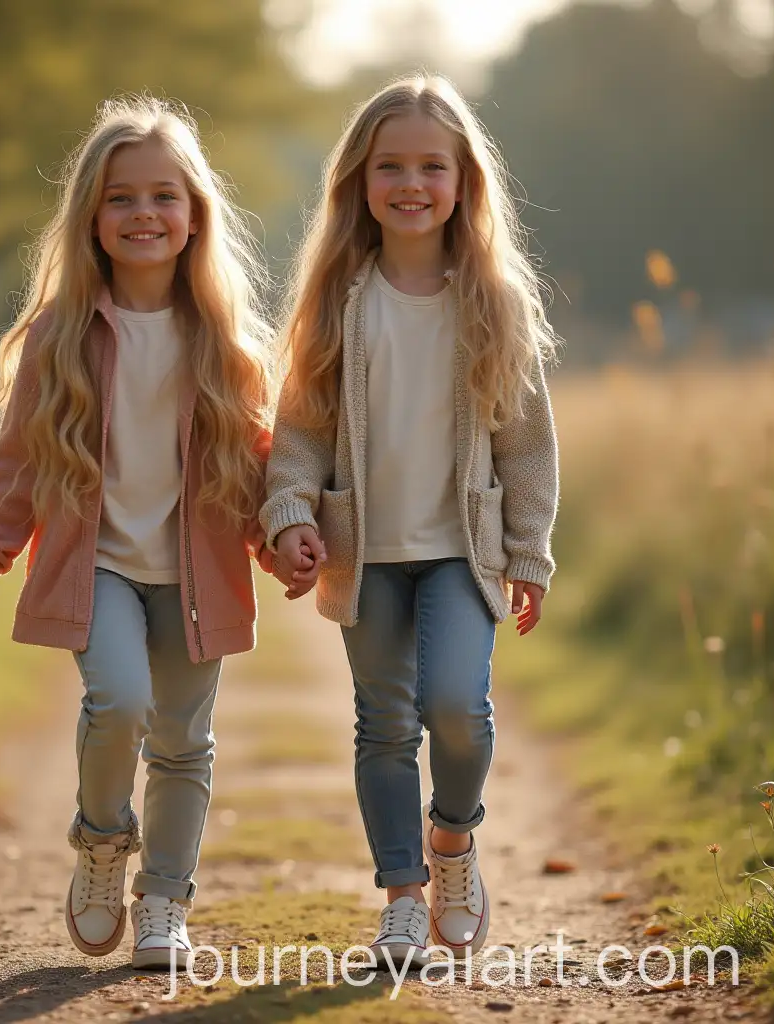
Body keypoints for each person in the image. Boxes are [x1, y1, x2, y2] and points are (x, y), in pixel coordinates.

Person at [0, 96, 284, 970]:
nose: (144, 214)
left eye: (164, 196)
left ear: (194, 214)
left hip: (193, 572)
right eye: (122, 197)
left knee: (183, 743)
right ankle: (102, 843)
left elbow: (251, 467)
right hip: (95, 566)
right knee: (120, 703)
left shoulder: (220, 340)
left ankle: (166, 900)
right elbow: (20, 458)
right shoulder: (63, 335)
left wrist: (285, 536)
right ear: (92, 218)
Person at [261, 74, 559, 967]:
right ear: (359, 182)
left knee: (458, 711)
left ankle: (453, 842)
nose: (411, 184)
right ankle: (400, 894)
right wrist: (288, 513)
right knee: (384, 724)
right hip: (371, 555)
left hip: (462, 554)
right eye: (390, 166)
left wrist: (530, 553)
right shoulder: (337, 303)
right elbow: (301, 433)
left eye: (433, 166)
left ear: (464, 181)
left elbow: (529, 445)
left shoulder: (493, 304)